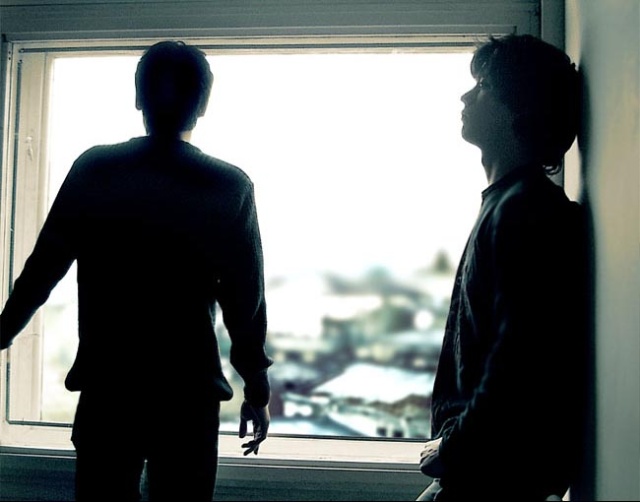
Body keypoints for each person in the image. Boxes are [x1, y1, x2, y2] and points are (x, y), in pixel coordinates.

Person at [0, 40, 272, 501]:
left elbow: (43, 268)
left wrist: (4, 331)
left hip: (109, 388)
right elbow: (245, 302)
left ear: (137, 97)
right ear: (203, 104)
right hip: (187, 395)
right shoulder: (227, 185)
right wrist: (257, 390)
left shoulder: (95, 169)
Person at [417, 34, 587, 500]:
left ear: (521, 108)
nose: (466, 96)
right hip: (484, 467)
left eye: (484, 86)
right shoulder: (511, 203)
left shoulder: (527, 210)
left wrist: (451, 448)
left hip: (494, 474)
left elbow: (517, 360)